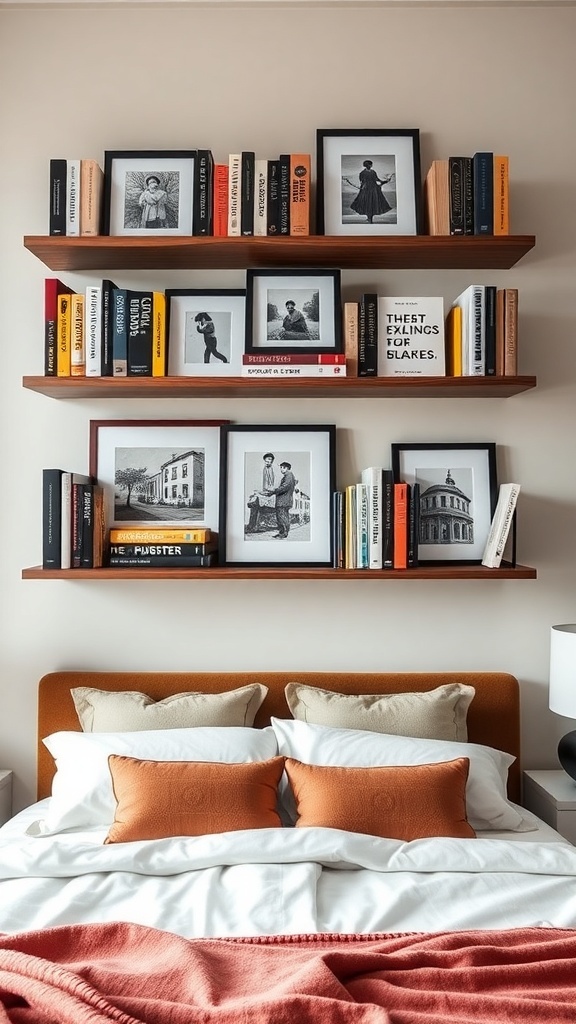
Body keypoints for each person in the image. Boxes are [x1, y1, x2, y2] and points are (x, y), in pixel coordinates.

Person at [246, 453, 277, 533]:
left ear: (272, 461)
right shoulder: (264, 469)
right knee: (255, 502)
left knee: (258, 503)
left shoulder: (272, 470)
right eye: (266, 460)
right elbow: (264, 484)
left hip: (268, 492)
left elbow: (271, 484)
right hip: (265, 491)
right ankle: (252, 525)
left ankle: (254, 526)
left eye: (269, 460)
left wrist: (269, 491)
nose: (267, 462)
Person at [268, 461, 297, 539]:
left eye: (283, 467)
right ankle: (283, 532)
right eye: (280, 467)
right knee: (283, 517)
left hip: (283, 501)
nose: (281, 469)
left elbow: (284, 487)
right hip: (285, 501)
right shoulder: (289, 476)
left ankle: (283, 533)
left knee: (281, 517)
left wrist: (274, 491)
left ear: (287, 468)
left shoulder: (289, 475)